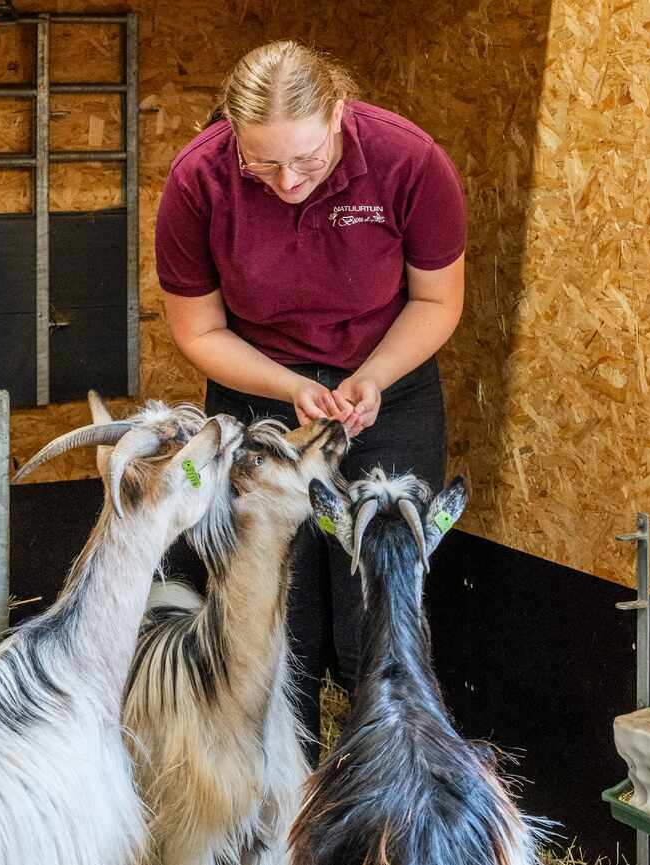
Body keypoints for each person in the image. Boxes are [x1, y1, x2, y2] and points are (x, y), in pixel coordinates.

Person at [155, 39, 466, 764]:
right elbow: (196, 328)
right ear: (232, 136)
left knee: (378, 603)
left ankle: (374, 781)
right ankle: (279, 785)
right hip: (257, 382)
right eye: (262, 163)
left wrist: (375, 375)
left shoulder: (408, 160)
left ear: (337, 116)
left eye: (306, 160)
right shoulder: (198, 179)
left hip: (386, 378)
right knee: (273, 599)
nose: (287, 181)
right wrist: (289, 386)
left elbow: (436, 299)